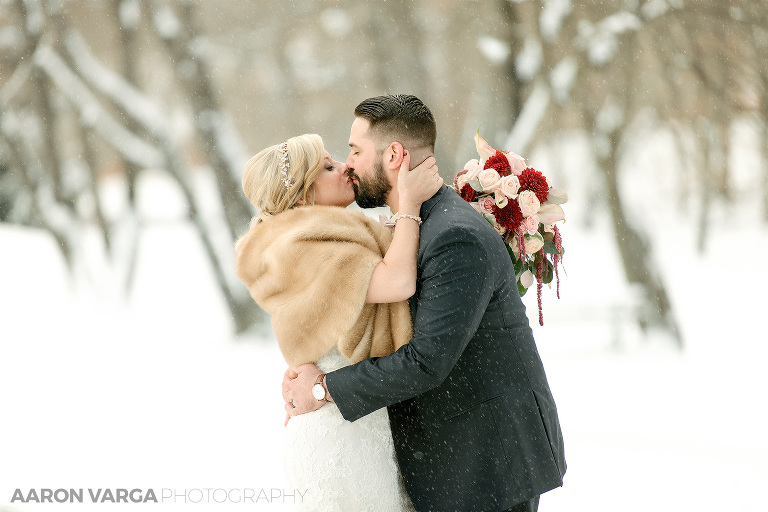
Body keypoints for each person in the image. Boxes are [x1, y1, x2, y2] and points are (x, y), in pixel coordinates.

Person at [283, 95, 567, 512]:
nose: (349, 164)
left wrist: (325, 389)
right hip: (452, 458)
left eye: (356, 151)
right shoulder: (412, 227)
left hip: (488, 462)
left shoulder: (454, 236)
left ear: (394, 155)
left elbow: (426, 362)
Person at [234, 133, 442, 511]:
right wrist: (409, 204)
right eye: (327, 168)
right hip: (340, 433)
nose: (345, 166)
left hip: (352, 416)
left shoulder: (320, 239)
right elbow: (397, 282)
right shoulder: (309, 248)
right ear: (301, 196)